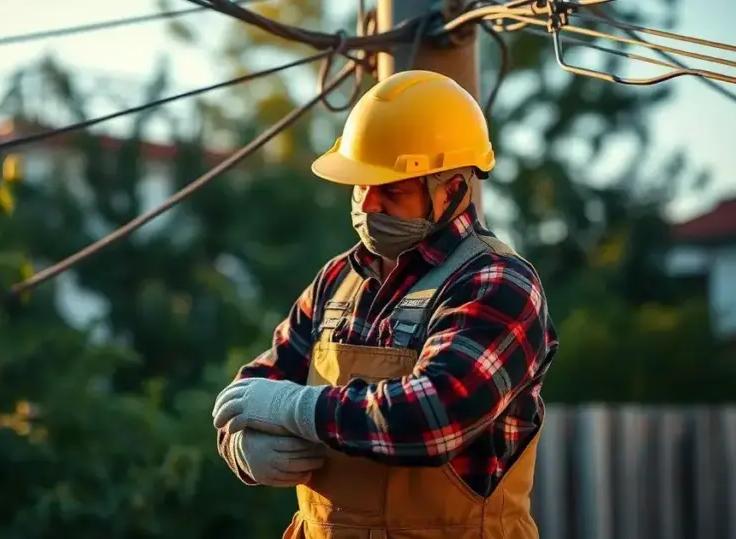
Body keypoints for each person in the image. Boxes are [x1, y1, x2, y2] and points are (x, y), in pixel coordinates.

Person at [212, 70, 558, 539]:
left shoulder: (496, 283)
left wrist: (295, 408)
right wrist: (242, 446)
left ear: (453, 190)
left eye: (392, 189)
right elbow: (253, 391)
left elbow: (434, 416)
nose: (369, 205)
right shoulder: (337, 280)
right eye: (361, 185)